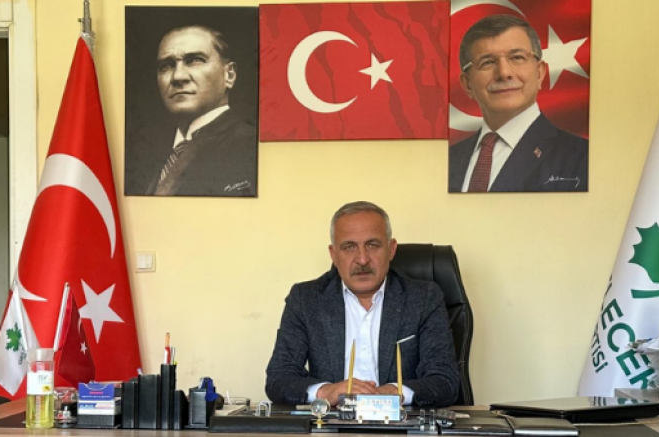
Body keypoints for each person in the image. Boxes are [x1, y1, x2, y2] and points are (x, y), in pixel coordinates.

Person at [265, 201, 460, 407]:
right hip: (332, 420)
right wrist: (326, 391)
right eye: (349, 247)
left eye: (372, 245)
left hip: (400, 421)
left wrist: (396, 392)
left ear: (391, 249)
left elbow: (445, 380)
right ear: (333, 254)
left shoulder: (424, 298)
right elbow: (279, 379)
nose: (362, 259)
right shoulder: (305, 300)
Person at [449, 15, 588, 193]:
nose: (504, 73)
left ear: (539, 73)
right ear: (467, 84)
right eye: (488, 62)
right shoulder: (447, 159)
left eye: (517, 58)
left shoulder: (582, 157)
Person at [144, 25, 257, 196]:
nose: (178, 76)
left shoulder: (251, 147)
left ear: (229, 75)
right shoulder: (145, 157)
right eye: (166, 66)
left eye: (195, 60)